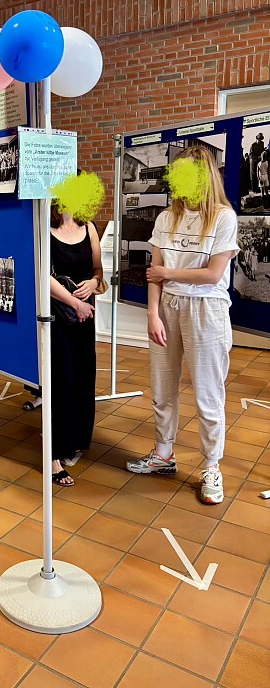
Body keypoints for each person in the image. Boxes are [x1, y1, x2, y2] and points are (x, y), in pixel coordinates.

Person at [126, 146, 238, 505]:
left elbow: (212, 274)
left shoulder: (223, 217)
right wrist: (152, 314)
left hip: (207, 309)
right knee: (162, 386)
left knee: (208, 394)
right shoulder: (165, 218)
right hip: (168, 307)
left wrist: (168, 273)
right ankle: (163, 454)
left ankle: (211, 467)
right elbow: (153, 275)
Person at [50, 203, 103, 486]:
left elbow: (97, 270)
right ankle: (54, 456)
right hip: (58, 318)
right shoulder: (43, 227)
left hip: (85, 316)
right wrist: (74, 302)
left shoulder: (89, 227)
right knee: (61, 381)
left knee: (83, 377)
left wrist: (94, 284)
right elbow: (42, 275)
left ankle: (75, 441)